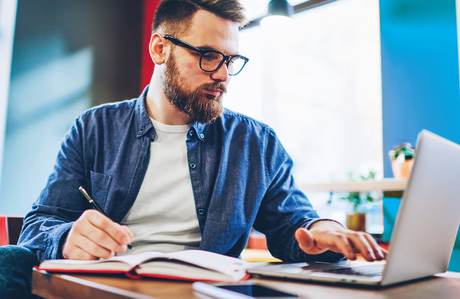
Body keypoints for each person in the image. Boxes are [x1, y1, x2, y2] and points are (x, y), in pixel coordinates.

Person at [0, 0, 385, 297]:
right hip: (104, 290)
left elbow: (293, 227)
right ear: (159, 48)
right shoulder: (94, 129)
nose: (222, 74)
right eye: (208, 56)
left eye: (230, 60)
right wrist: (67, 237)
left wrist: (321, 232)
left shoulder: (256, 142)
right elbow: (37, 227)